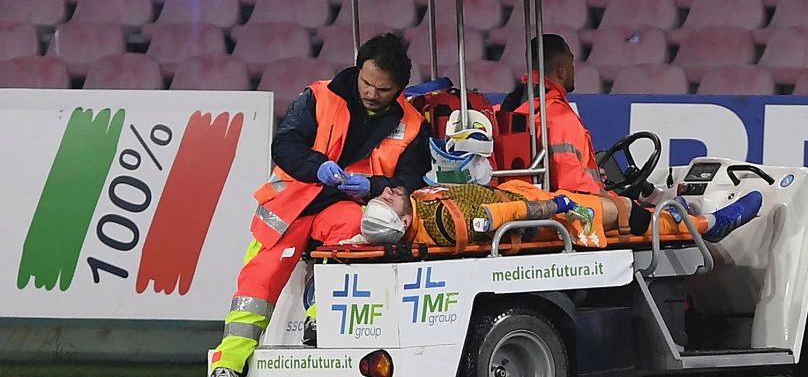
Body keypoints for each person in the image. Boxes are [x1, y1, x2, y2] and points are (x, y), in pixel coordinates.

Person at [209, 33, 430, 377]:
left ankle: (320, 324)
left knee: (355, 235)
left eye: (382, 89)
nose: (371, 93)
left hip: (344, 206)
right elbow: (284, 146)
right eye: (367, 83)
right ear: (358, 71)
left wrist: (372, 186)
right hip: (293, 204)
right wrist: (318, 167)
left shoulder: (413, 125)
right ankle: (228, 364)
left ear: (399, 88)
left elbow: (411, 181)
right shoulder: (319, 96)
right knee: (259, 280)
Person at [359, 180, 763, 250]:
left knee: (620, 205)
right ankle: (709, 227)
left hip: (528, 197)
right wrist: (555, 208)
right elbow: (499, 217)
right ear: (404, 223)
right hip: (543, 219)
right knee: (622, 212)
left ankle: (683, 216)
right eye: (388, 201)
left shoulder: (422, 204)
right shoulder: (444, 222)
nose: (388, 192)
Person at [501, 34, 604, 195]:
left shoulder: (512, 105)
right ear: (561, 71)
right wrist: (608, 196)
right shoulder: (559, 116)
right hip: (568, 208)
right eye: (571, 62)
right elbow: (572, 184)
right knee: (633, 211)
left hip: (525, 197)